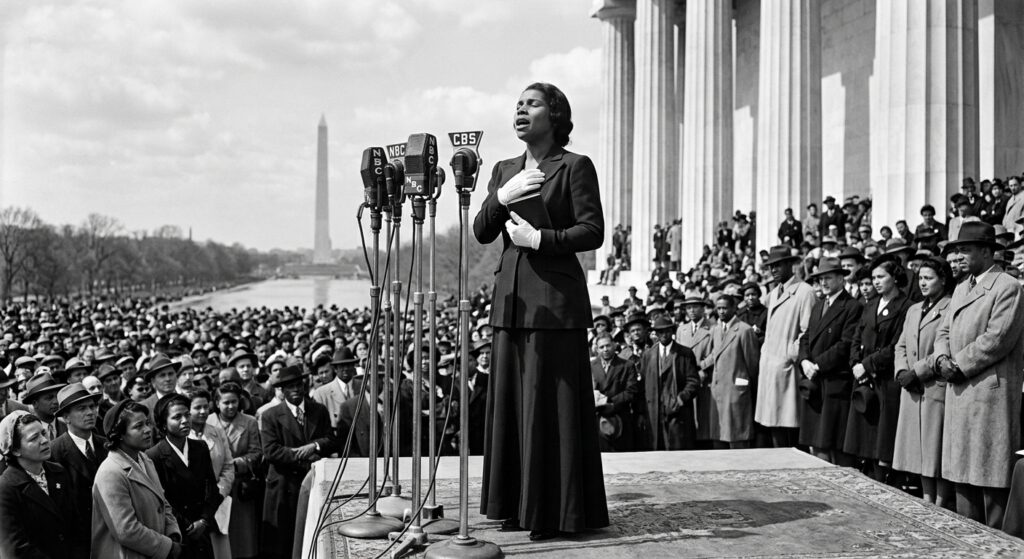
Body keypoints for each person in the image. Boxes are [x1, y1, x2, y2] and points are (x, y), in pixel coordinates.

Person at [471, 82, 609, 540]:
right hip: (512, 301)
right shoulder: (504, 168)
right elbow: (482, 232)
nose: (520, 110)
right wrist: (501, 195)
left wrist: (542, 240)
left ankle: (557, 511)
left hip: (554, 302)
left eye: (531, 104)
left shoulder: (574, 166)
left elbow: (592, 231)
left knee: (552, 409)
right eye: (517, 105)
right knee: (512, 406)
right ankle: (513, 505)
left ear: (555, 115)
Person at [933, 222, 1024, 528]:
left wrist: (957, 364)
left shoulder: (1008, 287)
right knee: (963, 476)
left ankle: (996, 545)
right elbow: (943, 330)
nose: (959, 255)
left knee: (990, 476)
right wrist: (941, 358)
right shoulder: (961, 287)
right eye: (957, 249)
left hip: (988, 393)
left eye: (965, 249)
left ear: (987, 252)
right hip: (960, 391)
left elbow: (997, 339)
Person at [843, 253, 913, 485]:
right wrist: (855, 363)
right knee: (864, 438)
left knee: (883, 440)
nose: (875, 282)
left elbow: (896, 345)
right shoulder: (870, 305)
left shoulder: (905, 307)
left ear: (894, 277)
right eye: (873, 277)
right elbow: (857, 336)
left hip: (885, 379)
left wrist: (867, 365)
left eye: (881, 277)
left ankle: (886, 482)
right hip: (863, 378)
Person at [260, 360, 339, 558]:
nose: (295, 390)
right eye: (289, 387)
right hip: (284, 484)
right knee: (284, 539)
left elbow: (331, 439)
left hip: (312, 482)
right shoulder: (270, 415)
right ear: (282, 390)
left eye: (298, 385)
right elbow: (270, 451)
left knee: (310, 531)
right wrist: (301, 454)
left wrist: (315, 446)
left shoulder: (318, 410)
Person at [892, 256, 954, 509]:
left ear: (943, 280)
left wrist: (917, 372)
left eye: (929, 278)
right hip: (911, 388)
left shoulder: (950, 307)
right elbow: (901, 345)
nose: (923, 283)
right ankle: (925, 500)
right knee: (918, 450)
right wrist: (900, 372)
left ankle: (939, 503)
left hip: (932, 385)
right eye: (921, 278)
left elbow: (945, 346)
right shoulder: (913, 309)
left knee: (934, 449)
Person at [92, 400, 183, 559]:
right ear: (119, 434)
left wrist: (173, 533)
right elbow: (126, 530)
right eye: (138, 426)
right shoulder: (111, 472)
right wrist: (167, 547)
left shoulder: (144, 459)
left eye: (147, 423)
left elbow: (163, 503)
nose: (148, 430)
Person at [797, 258, 862, 465]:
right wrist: (804, 361)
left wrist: (818, 365)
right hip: (814, 381)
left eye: (828, 278)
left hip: (834, 381)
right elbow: (806, 336)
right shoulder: (818, 306)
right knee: (815, 442)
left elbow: (845, 344)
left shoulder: (852, 306)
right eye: (821, 279)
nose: (823, 283)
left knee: (833, 443)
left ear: (841, 278)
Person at [755, 246, 817, 447]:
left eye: (778, 265)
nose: (773, 270)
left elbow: (807, 331)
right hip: (770, 364)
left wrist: (790, 354)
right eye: (771, 266)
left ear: (791, 265)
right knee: (773, 424)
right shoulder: (773, 294)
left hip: (787, 367)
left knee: (789, 423)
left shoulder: (804, 292)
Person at [148, 393, 223, 559]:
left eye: (187, 415)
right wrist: (188, 526)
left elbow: (211, 488)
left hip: (202, 529)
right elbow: (161, 500)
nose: (185, 420)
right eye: (177, 417)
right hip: (176, 533)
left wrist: (204, 520)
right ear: (163, 424)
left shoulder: (200, 447)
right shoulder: (154, 456)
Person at [0, 411, 75, 559]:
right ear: (15, 450)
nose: (45, 440)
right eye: (34, 438)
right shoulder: (6, 487)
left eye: (43, 433)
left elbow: (76, 524)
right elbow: (15, 549)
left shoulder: (58, 472)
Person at [49, 383, 108, 559]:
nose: (90, 412)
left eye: (92, 406)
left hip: (112, 531)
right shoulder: (55, 451)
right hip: (79, 541)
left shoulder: (106, 444)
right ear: (66, 417)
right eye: (81, 408)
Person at [207, 382, 261, 559]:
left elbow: (256, 452)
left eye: (234, 402)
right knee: (219, 536)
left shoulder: (249, 422)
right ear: (217, 403)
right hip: (216, 486)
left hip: (239, 487)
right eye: (226, 402)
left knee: (242, 537)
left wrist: (236, 463)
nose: (230, 406)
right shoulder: (208, 422)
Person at [699, 294, 759, 448]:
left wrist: (744, 386)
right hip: (718, 390)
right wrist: (699, 365)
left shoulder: (744, 330)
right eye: (718, 308)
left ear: (734, 308)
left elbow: (752, 364)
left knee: (737, 439)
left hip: (736, 391)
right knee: (719, 439)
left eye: (725, 308)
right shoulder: (716, 330)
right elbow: (715, 354)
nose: (721, 312)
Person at [639, 316, 701, 451]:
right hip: (655, 412)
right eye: (659, 332)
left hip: (678, 412)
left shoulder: (685, 353)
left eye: (667, 331)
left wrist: (681, 398)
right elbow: (642, 386)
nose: (664, 335)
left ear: (672, 331)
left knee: (678, 451)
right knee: (657, 451)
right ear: (655, 333)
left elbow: (694, 381)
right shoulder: (648, 355)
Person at [188, 390, 234, 559]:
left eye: (205, 407)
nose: (202, 411)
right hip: (194, 506)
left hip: (218, 501)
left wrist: (219, 493)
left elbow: (228, 466)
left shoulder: (217, 431)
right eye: (197, 407)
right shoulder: (182, 435)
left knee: (220, 549)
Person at [677, 292, 715, 448]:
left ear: (703, 309)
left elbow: (716, 352)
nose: (691, 311)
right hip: (687, 376)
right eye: (689, 308)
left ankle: (705, 442)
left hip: (704, 375)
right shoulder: (682, 329)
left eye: (695, 307)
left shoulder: (713, 328)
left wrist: (702, 365)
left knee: (703, 413)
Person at [590, 333, 639, 452]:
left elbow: (631, 391)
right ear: (596, 349)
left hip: (620, 418)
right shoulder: (591, 366)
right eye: (601, 347)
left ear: (614, 345)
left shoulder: (627, 365)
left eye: (608, 346)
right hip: (598, 420)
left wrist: (610, 402)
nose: (605, 349)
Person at [311, 346, 358, 430]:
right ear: (335, 369)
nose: (346, 369)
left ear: (353, 366)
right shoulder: (321, 393)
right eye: (342, 366)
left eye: (349, 365)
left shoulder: (363, 387)